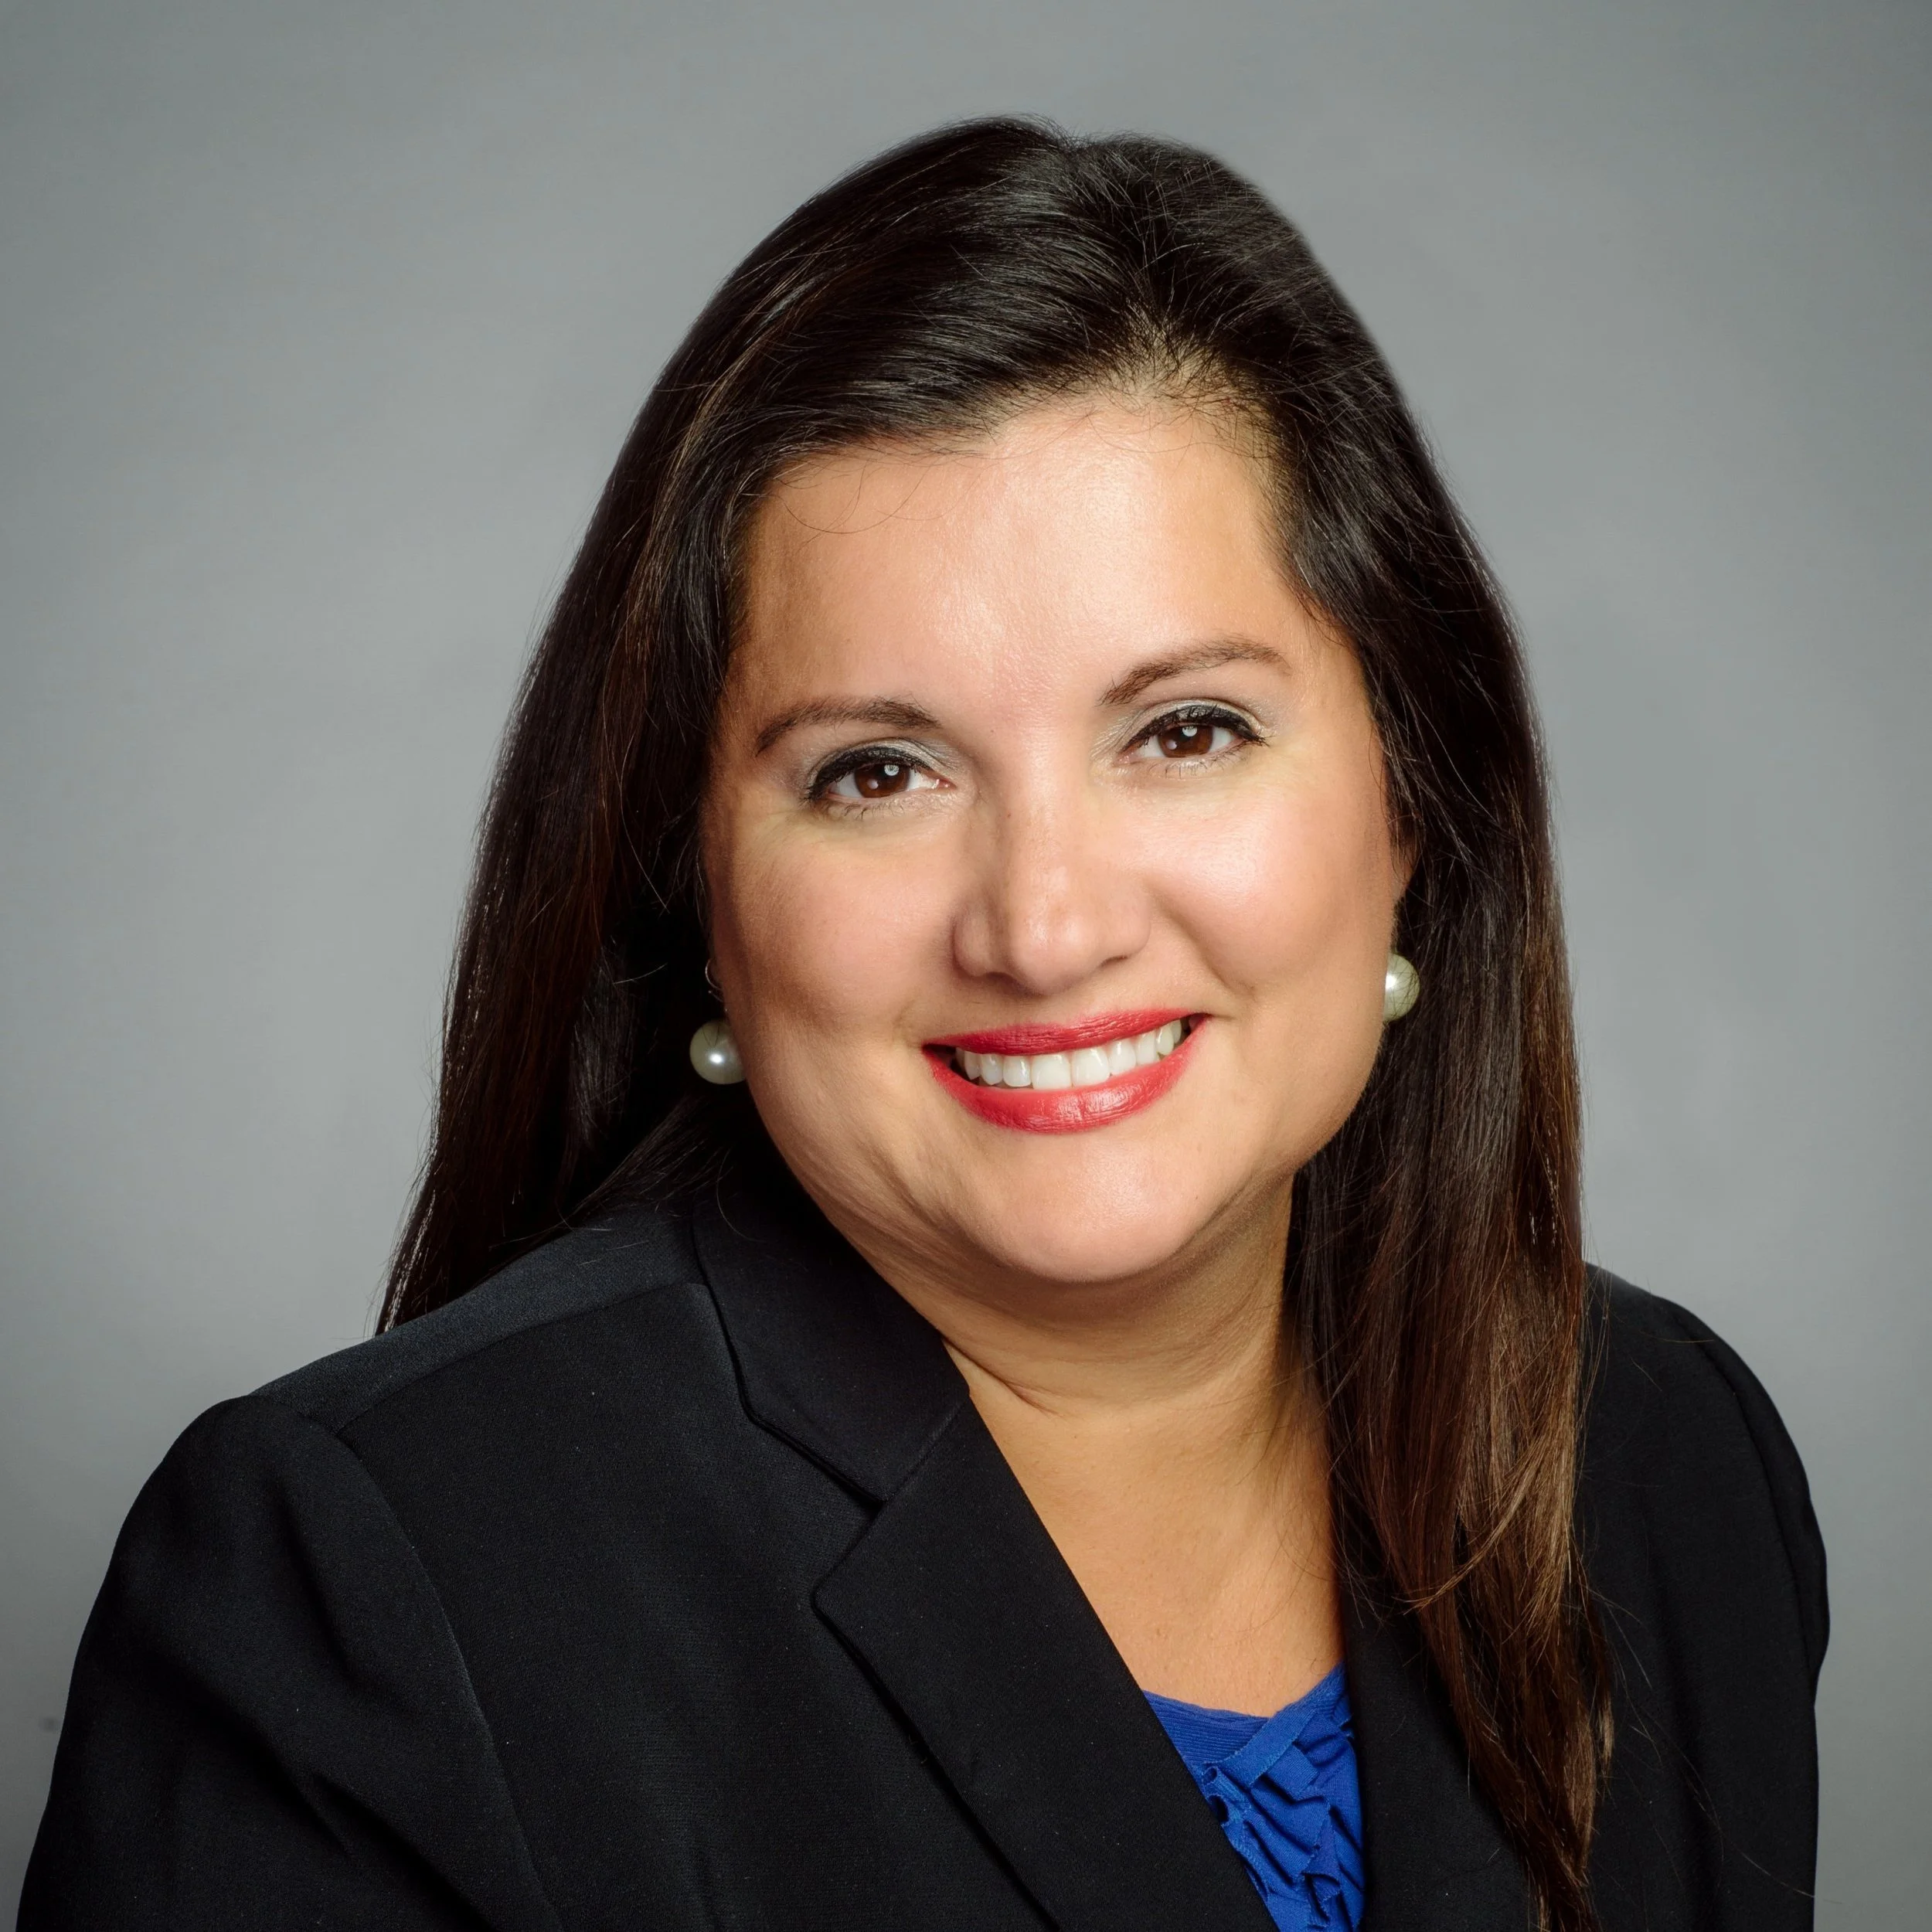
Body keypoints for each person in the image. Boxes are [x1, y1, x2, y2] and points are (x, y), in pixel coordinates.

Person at [19, 120, 1825, 1932]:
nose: (1043, 926)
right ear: (701, 903)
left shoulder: (1661, 1461)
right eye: (875, 770)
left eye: (1183, 730)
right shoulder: (372, 1580)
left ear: (1411, 802)